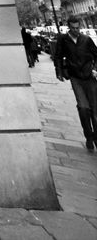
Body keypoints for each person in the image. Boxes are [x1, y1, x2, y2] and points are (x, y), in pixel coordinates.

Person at [54, 17, 97, 151]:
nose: (75, 30)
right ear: (69, 27)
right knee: (83, 107)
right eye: (73, 28)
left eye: (77, 28)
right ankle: (89, 136)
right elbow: (58, 56)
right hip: (75, 77)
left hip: (89, 76)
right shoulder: (63, 39)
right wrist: (59, 71)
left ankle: (96, 138)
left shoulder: (86, 39)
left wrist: (95, 69)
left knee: (95, 111)